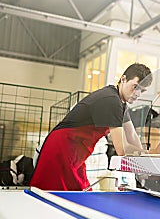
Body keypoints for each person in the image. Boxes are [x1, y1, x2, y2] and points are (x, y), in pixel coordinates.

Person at [30, 63, 152, 191]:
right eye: (135, 87)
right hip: (62, 149)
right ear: (123, 79)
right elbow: (121, 149)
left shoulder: (121, 104)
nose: (138, 93)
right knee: (55, 195)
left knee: (79, 192)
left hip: (76, 153)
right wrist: (146, 156)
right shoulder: (111, 100)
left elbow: (132, 136)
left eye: (142, 91)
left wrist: (146, 155)